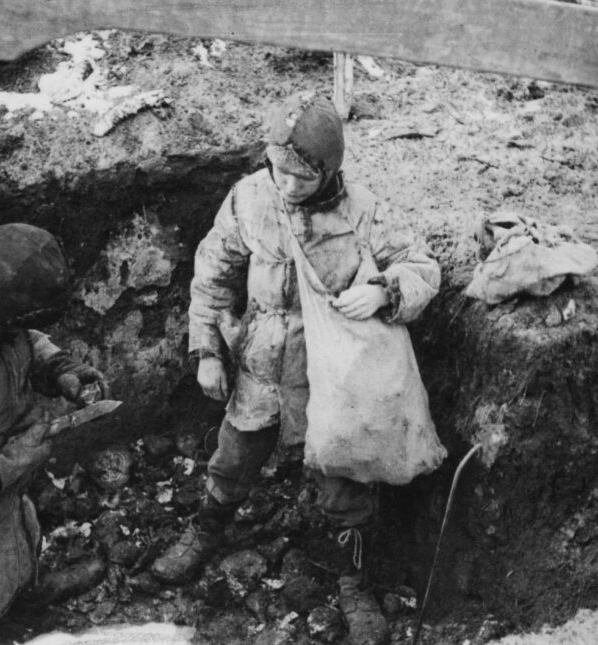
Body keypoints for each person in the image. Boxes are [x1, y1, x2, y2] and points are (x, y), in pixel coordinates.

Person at [152, 92, 441, 644]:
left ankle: (354, 583)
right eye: (278, 171)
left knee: (342, 483)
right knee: (232, 457)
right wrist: (209, 352)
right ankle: (205, 532)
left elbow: (423, 266)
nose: (286, 186)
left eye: (301, 178)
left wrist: (384, 291)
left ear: (329, 171)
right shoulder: (249, 198)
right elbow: (212, 276)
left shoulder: (363, 210)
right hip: (259, 361)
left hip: (330, 376)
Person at [0, 223, 108, 645]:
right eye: (6, 328)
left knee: (14, 544)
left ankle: (23, 600)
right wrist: (4, 467)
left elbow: (24, 340)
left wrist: (60, 370)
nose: (13, 335)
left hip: (4, 505)